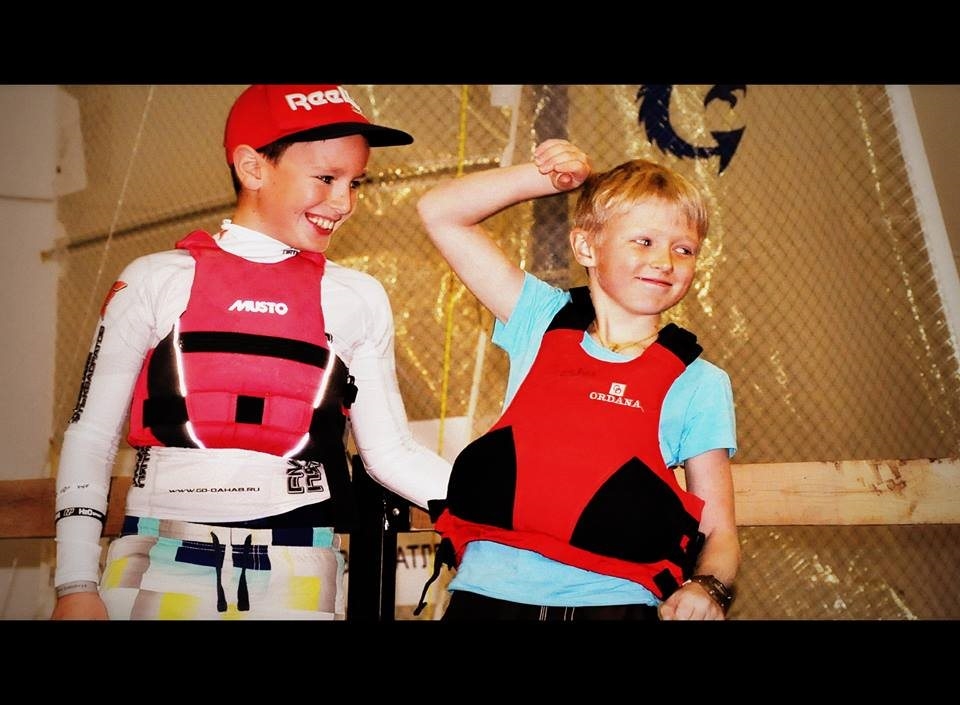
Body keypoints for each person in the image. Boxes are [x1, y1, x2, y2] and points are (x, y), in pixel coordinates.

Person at [50, 84, 451, 620]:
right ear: (252, 167)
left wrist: (510, 502)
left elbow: (393, 454)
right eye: (327, 179)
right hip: (158, 550)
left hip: (300, 558)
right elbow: (91, 437)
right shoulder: (153, 280)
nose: (344, 202)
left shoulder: (357, 296)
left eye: (356, 182)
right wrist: (75, 583)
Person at [416, 139, 739, 620]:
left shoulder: (701, 383)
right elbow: (440, 212)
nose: (665, 261)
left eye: (684, 249)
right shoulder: (538, 321)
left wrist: (707, 588)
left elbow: (719, 531)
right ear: (586, 245)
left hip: (613, 606)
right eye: (644, 241)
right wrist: (547, 177)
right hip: (486, 598)